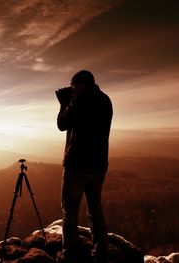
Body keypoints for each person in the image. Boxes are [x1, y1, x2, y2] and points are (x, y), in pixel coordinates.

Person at [55, 70, 113, 263]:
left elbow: (62, 124)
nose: (71, 89)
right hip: (98, 166)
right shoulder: (105, 100)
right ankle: (101, 251)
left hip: (77, 166)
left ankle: (69, 254)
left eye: (73, 85)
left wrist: (64, 103)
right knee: (95, 208)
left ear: (81, 84)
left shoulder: (79, 101)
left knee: (69, 212)